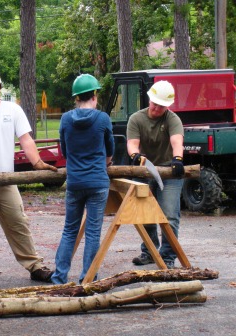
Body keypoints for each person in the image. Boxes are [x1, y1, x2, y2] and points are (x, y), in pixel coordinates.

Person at [0, 67, 58, 285]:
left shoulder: (13, 110)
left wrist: (37, 163)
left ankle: (34, 266)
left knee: (19, 223)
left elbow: (25, 139)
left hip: (7, 181)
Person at [51, 74, 114, 284]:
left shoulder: (65, 119)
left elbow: (65, 150)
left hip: (75, 181)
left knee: (69, 230)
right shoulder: (103, 118)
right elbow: (110, 150)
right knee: (93, 233)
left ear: (76, 98)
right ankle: (88, 279)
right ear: (94, 96)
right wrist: (103, 164)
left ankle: (59, 276)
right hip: (97, 182)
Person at [127, 80, 185, 269]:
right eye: (155, 103)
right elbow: (132, 143)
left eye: (162, 105)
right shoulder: (136, 118)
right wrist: (135, 155)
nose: (157, 108)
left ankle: (167, 256)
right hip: (145, 171)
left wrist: (177, 159)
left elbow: (177, 141)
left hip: (169, 172)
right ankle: (150, 251)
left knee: (169, 215)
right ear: (150, 99)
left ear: (167, 105)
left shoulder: (172, 119)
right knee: (144, 215)